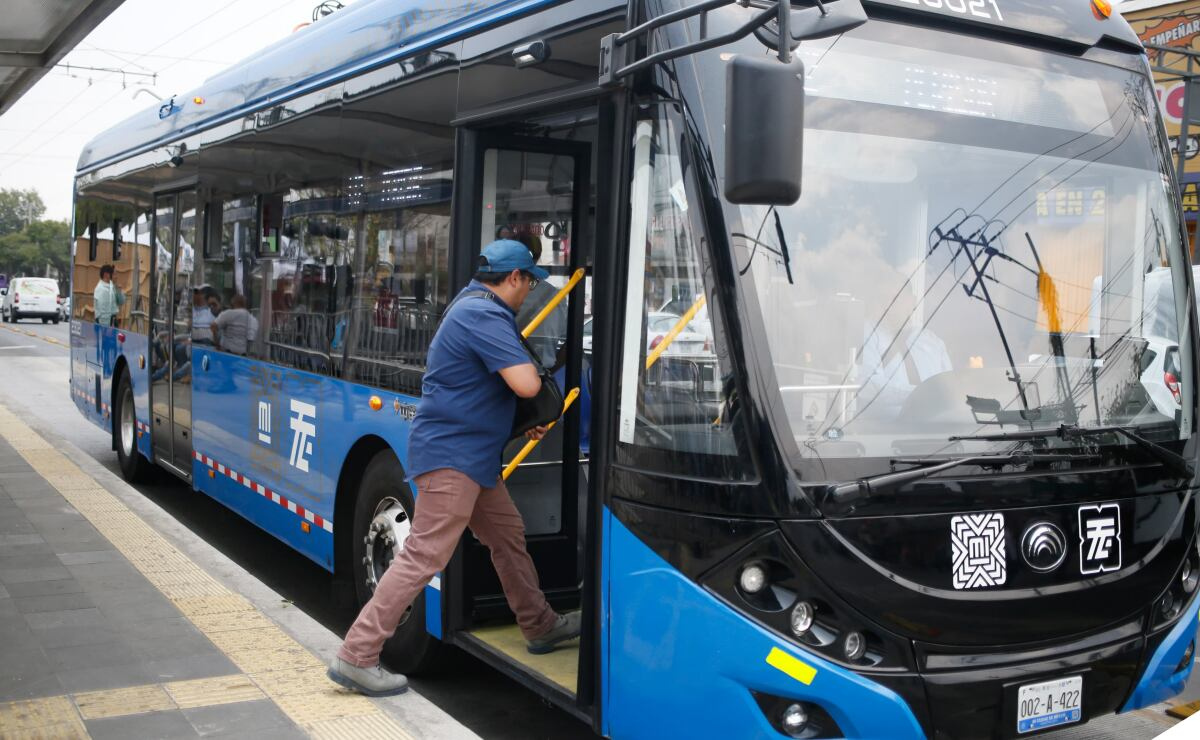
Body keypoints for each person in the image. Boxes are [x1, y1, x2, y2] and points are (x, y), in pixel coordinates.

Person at [327, 240, 581, 697]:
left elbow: (484, 387)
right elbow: (524, 382)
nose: (530, 294)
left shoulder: (470, 305)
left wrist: (521, 421)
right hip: (453, 458)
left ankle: (539, 625)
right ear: (515, 278)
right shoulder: (482, 314)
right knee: (425, 554)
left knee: (507, 536)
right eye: (530, 283)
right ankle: (357, 654)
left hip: (473, 458)